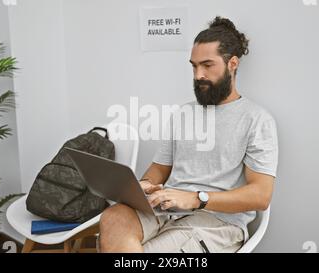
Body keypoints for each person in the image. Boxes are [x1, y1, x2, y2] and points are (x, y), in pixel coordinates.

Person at [99, 16, 279, 253]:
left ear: (232, 64)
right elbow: (159, 170)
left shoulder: (257, 119)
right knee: (113, 218)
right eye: (194, 66)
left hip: (217, 222)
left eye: (207, 65)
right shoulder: (183, 113)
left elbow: (260, 195)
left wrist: (197, 198)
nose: (198, 75)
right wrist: (144, 186)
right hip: (166, 209)